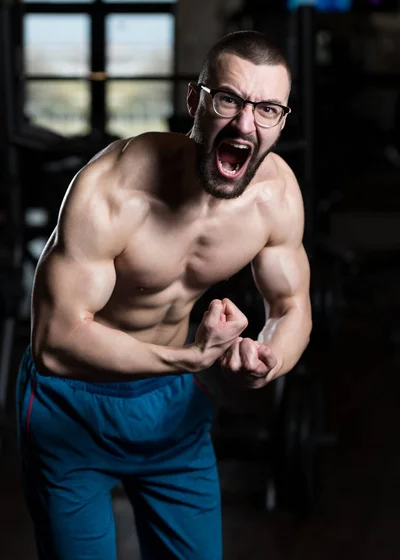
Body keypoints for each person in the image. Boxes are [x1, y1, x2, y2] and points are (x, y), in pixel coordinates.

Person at [16, 29, 312, 560]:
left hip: (172, 410)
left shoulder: (276, 196)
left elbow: (291, 308)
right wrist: (189, 357)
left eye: (268, 109)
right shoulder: (112, 189)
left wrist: (270, 358)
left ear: (282, 121)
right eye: (229, 99)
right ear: (195, 100)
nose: (246, 123)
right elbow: (55, 343)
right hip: (73, 407)